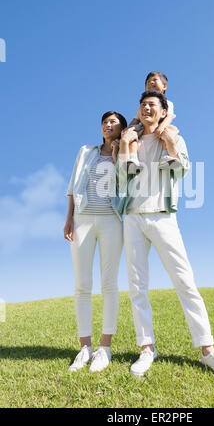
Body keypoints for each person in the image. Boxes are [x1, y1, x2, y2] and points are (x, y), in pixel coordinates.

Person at [117, 91, 214, 379]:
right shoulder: (130, 140)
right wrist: (124, 144)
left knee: (185, 282)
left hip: (163, 217)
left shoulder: (173, 138)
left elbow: (182, 168)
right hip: (133, 218)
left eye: (153, 105)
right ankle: (147, 348)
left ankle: (208, 351)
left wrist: (168, 139)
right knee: (137, 287)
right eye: (143, 105)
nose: (147, 108)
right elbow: (122, 177)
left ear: (162, 111)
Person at [64, 111, 127, 373]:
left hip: (111, 221)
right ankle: (84, 348)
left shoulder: (125, 154)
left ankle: (105, 348)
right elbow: (72, 185)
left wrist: (116, 154)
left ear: (122, 128)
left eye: (113, 122)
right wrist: (69, 218)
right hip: (83, 220)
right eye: (104, 122)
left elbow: (125, 185)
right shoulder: (85, 151)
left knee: (109, 283)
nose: (107, 125)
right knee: (82, 284)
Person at [127, 71, 176, 173]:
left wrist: (162, 127)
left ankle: (165, 155)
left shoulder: (168, 103)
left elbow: (170, 117)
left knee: (170, 132)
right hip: (143, 128)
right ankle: (133, 158)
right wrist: (127, 130)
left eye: (154, 80)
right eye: (148, 82)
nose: (150, 83)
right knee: (132, 137)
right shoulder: (143, 106)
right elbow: (135, 120)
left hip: (161, 127)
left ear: (164, 86)